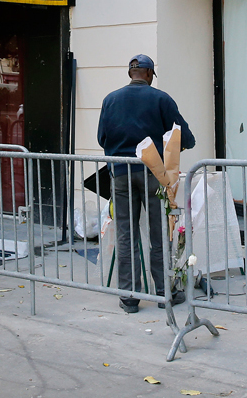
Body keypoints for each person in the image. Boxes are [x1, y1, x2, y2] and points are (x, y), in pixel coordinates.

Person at [96, 54, 195, 314]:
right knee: (159, 233)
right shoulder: (161, 99)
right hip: (154, 173)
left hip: (120, 173)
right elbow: (185, 137)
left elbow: (101, 138)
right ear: (149, 74)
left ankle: (129, 297)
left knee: (126, 233)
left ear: (131, 73)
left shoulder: (110, 100)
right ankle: (165, 293)